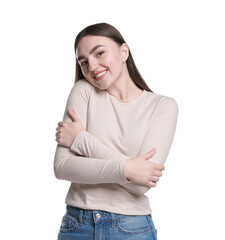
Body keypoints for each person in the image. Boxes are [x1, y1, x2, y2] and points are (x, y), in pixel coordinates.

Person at [54, 22, 178, 240]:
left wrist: (81, 140)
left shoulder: (163, 107)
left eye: (99, 53)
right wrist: (128, 169)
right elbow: (62, 167)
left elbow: (142, 185)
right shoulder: (83, 91)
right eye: (83, 62)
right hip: (78, 225)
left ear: (124, 51)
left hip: (132, 227)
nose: (92, 66)